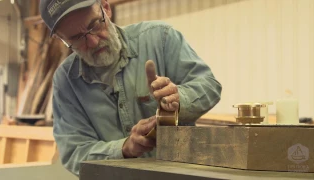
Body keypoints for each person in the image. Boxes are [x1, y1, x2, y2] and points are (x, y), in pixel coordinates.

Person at [39, 0, 222, 176]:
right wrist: (124, 148)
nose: (93, 42)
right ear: (61, 39)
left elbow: (209, 86)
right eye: (76, 38)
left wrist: (179, 98)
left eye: (95, 25)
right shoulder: (65, 82)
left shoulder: (161, 38)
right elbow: (75, 153)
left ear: (105, 8)